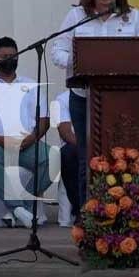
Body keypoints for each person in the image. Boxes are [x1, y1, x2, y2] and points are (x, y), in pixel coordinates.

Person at [51, 0, 139, 208]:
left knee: (123, 156)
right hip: (84, 97)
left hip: (124, 100)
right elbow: (57, 52)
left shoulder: (134, 17)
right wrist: (80, 62)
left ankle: (126, 210)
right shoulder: (77, 16)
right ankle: (88, 212)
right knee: (89, 157)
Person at [0, 36, 51, 228]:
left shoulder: (31, 84)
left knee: (54, 159)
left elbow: (44, 119)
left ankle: (21, 208)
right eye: (4, 56)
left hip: (26, 143)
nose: (10, 59)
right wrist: (1, 140)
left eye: (14, 56)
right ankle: (18, 208)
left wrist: (31, 138)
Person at [55, 90, 79, 224]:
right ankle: (79, 209)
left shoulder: (104, 94)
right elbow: (66, 133)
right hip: (75, 144)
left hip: (101, 143)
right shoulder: (62, 98)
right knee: (68, 155)